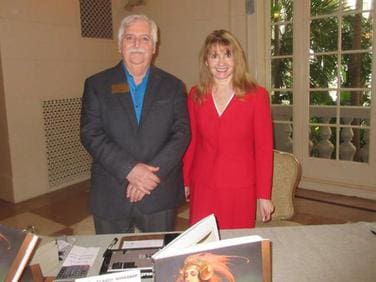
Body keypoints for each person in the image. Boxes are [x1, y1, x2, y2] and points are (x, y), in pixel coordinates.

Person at [80, 14, 190, 234]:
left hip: (158, 190)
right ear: (120, 45)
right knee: (112, 262)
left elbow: (181, 133)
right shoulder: (96, 84)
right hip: (111, 191)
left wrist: (150, 176)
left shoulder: (174, 86)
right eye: (130, 38)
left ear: (154, 47)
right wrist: (129, 170)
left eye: (145, 38)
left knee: (158, 259)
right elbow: (90, 133)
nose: (137, 44)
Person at [183, 29, 274, 229]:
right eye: (214, 56)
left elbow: (264, 149)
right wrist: (185, 180)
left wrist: (263, 195)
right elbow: (192, 142)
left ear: (236, 58)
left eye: (227, 54)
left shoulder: (257, 96)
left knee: (236, 248)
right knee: (203, 247)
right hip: (203, 185)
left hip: (240, 188)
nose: (221, 62)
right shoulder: (195, 95)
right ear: (206, 61)